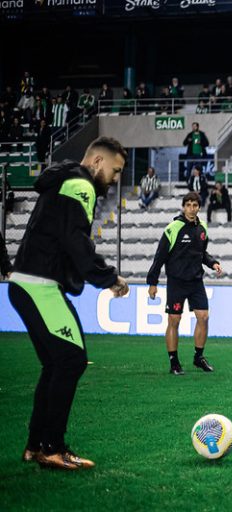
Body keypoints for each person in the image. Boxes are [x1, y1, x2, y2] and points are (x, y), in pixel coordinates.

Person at [8, 137, 130, 470]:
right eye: (115, 171)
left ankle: (36, 446)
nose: (116, 180)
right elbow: (75, 241)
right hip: (40, 286)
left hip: (27, 283)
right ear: (98, 163)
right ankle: (52, 447)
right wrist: (109, 278)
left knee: (58, 363)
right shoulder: (81, 184)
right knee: (72, 360)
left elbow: (66, 237)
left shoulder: (63, 179)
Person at [147, 192, 223, 376]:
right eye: (188, 205)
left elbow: (202, 253)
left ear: (198, 207)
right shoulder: (173, 228)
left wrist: (213, 263)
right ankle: (174, 361)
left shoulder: (202, 228)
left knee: (203, 317)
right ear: (183, 207)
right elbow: (160, 257)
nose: (191, 208)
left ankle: (199, 357)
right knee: (174, 320)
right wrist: (153, 282)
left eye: (195, 205)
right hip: (177, 282)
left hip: (196, 281)